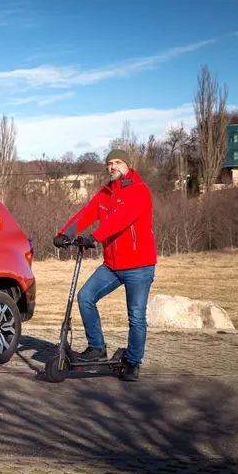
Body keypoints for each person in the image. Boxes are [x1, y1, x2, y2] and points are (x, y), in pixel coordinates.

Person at [53, 149, 157, 382]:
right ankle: (97, 348)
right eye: (109, 163)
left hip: (139, 266)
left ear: (128, 166)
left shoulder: (140, 191)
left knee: (136, 316)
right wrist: (65, 233)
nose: (112, 167)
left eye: (117, 162)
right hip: (112, 265)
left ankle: (133, 361)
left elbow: (123, 218)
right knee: (85, 297)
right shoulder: (105, 192)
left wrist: (95, 236)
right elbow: (86, 214)